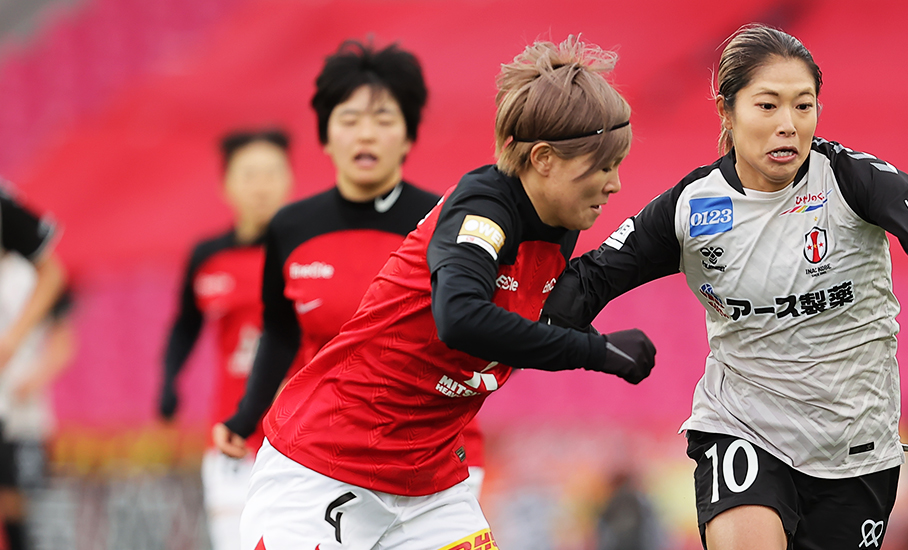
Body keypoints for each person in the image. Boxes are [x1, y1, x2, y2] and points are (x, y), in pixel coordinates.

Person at [542, 24, 908, 550]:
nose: (789, 126)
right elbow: (589, 281)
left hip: (855, 447)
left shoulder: (852, 181)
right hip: (742, 426)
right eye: (768, 106)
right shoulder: (691, 206)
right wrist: (501, 317)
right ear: (727, 112)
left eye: (804, 106)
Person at [239, 36, 655, 549]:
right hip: (324, 466)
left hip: (428, 488)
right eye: (603, 166)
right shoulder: (482, 209)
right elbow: (460, 318)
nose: (614, 184)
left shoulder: (559, 222)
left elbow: (530, 320)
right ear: (543, 158)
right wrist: (596, 350)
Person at [210, 41, 494, 491]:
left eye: (383, 120)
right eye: (349, 119)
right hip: (321, 452)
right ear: (325, 135)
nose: (366, 134)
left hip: (434, 458)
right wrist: (246, 417)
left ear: (408, 135)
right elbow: (281, 333)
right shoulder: (290, 227)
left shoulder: (446, 222)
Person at [158, 129, 293, 550]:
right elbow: (185, 325)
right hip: (230, 434)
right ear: (226, 185)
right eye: (249, 174)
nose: (261, 186)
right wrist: (169, 381)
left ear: (289, 179)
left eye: (272, 173)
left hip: (300, 433)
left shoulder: (309, 249)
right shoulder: (208, 256)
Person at [0, 182, 64, 550]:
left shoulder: (26, 276)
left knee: (18, 502)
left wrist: (14, 343)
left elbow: (63, 339)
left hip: (23, 408)